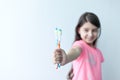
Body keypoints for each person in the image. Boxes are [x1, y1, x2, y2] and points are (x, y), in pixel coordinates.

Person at [53, 12, 104, 80]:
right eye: (86, 30)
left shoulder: (98, 52)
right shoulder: (80, 45)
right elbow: (75, 51)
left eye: (94, 30)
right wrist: (66, 58)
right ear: (79, 30)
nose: (90, 34)